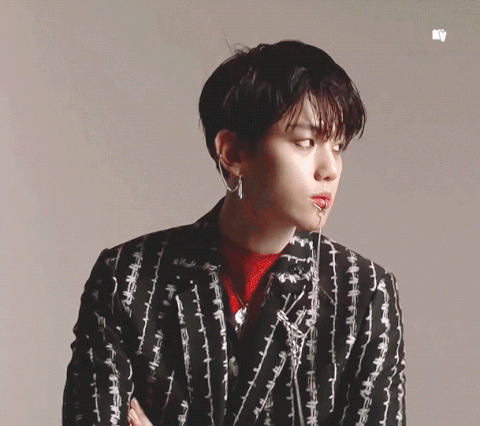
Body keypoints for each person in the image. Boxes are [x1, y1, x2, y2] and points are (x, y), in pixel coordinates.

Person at [63, 40, 406, 426]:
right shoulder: (126, 278)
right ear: (232, 153)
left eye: (338, 145)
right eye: (306, 142)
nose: (330, 169)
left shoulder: (363, 294)